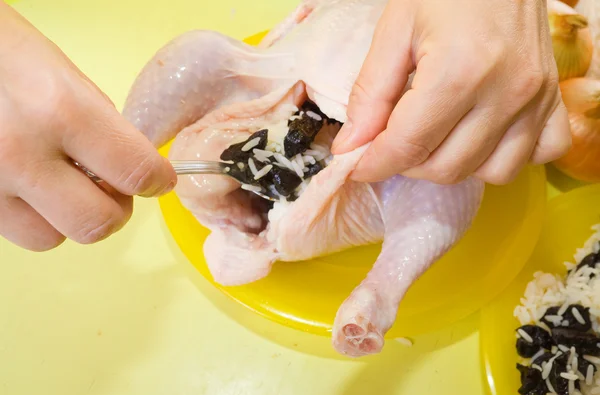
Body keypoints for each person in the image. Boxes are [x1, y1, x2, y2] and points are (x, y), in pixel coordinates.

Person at [0, 0, 570, 252]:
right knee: (200, 52)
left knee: (450, 172)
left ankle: (378, 291)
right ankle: (116, 144)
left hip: (407, 108)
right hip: (282, 71)